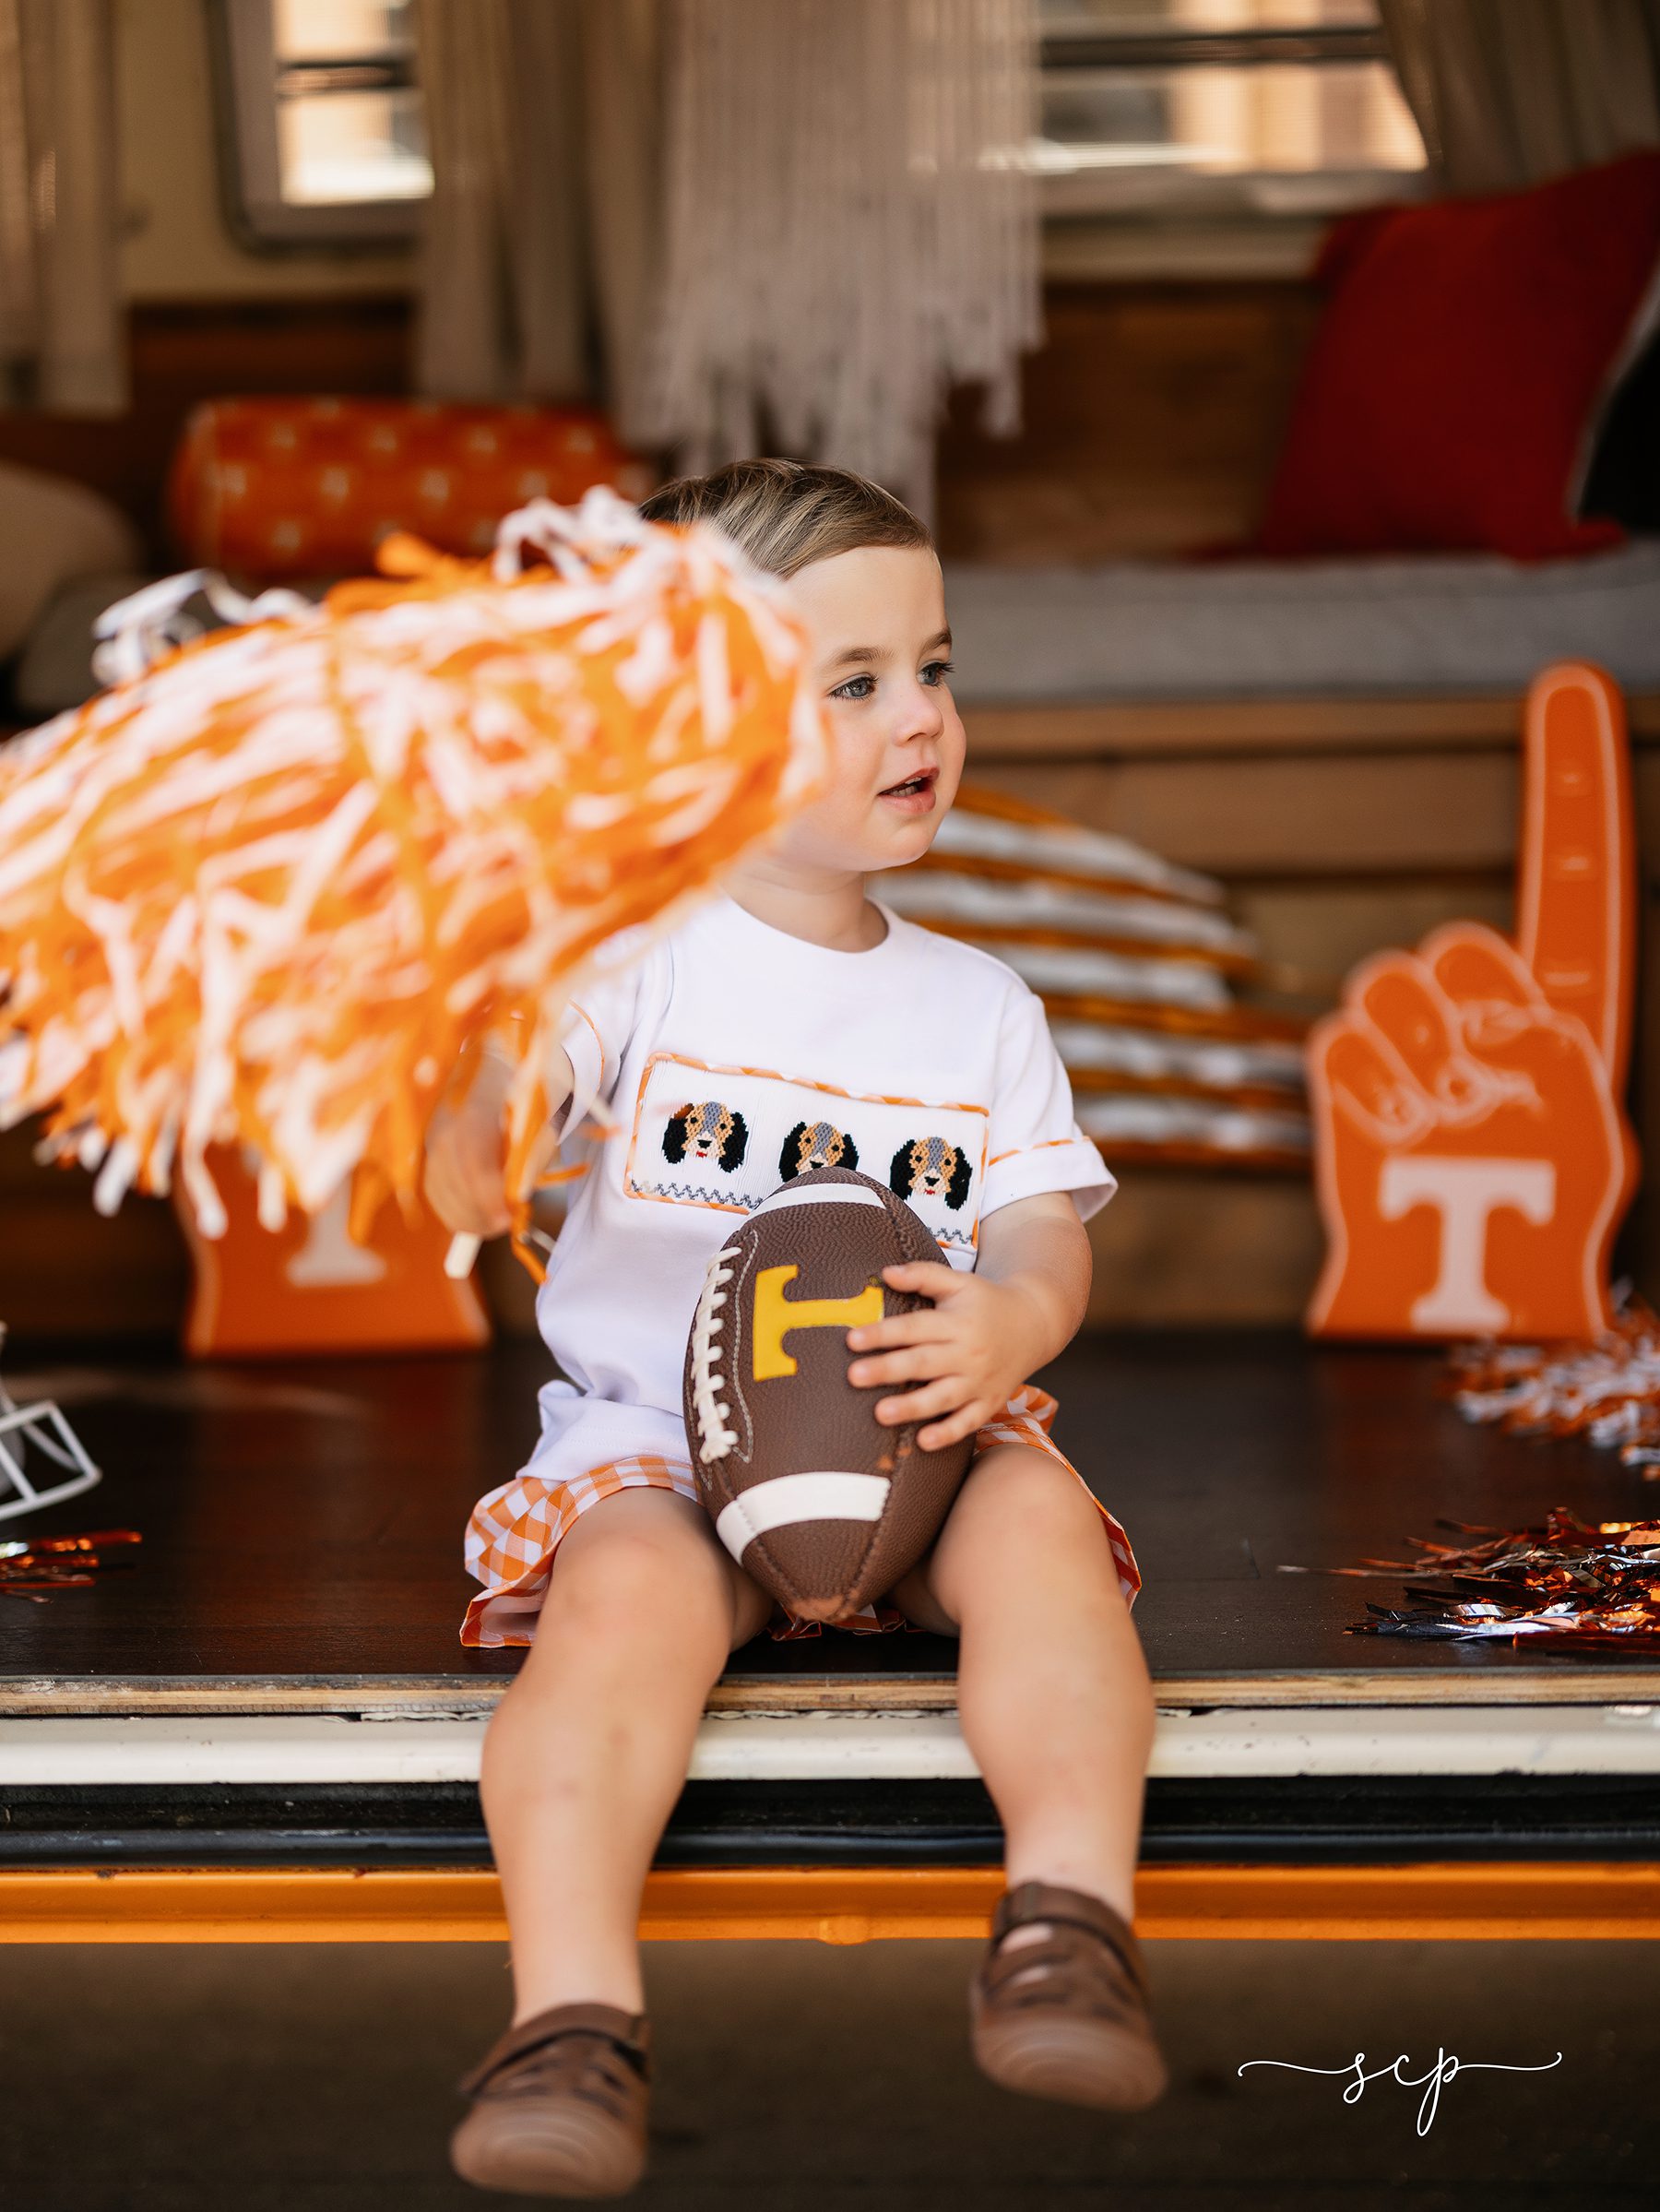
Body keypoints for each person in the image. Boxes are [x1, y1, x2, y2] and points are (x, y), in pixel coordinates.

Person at [424, 459, 1167, 2200]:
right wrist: (464, 1092)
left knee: (1045, 1520)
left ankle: (1069, 1915)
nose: (920, 716)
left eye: (936, 666)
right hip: (667, 1467)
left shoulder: (981, 1005)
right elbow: (487, 1141)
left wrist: (1014, 1322)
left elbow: (1044, 1231)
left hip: (923, 1430)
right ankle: (573, 2016)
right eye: (854, 684)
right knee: (615, 1615)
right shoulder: (629, 968)